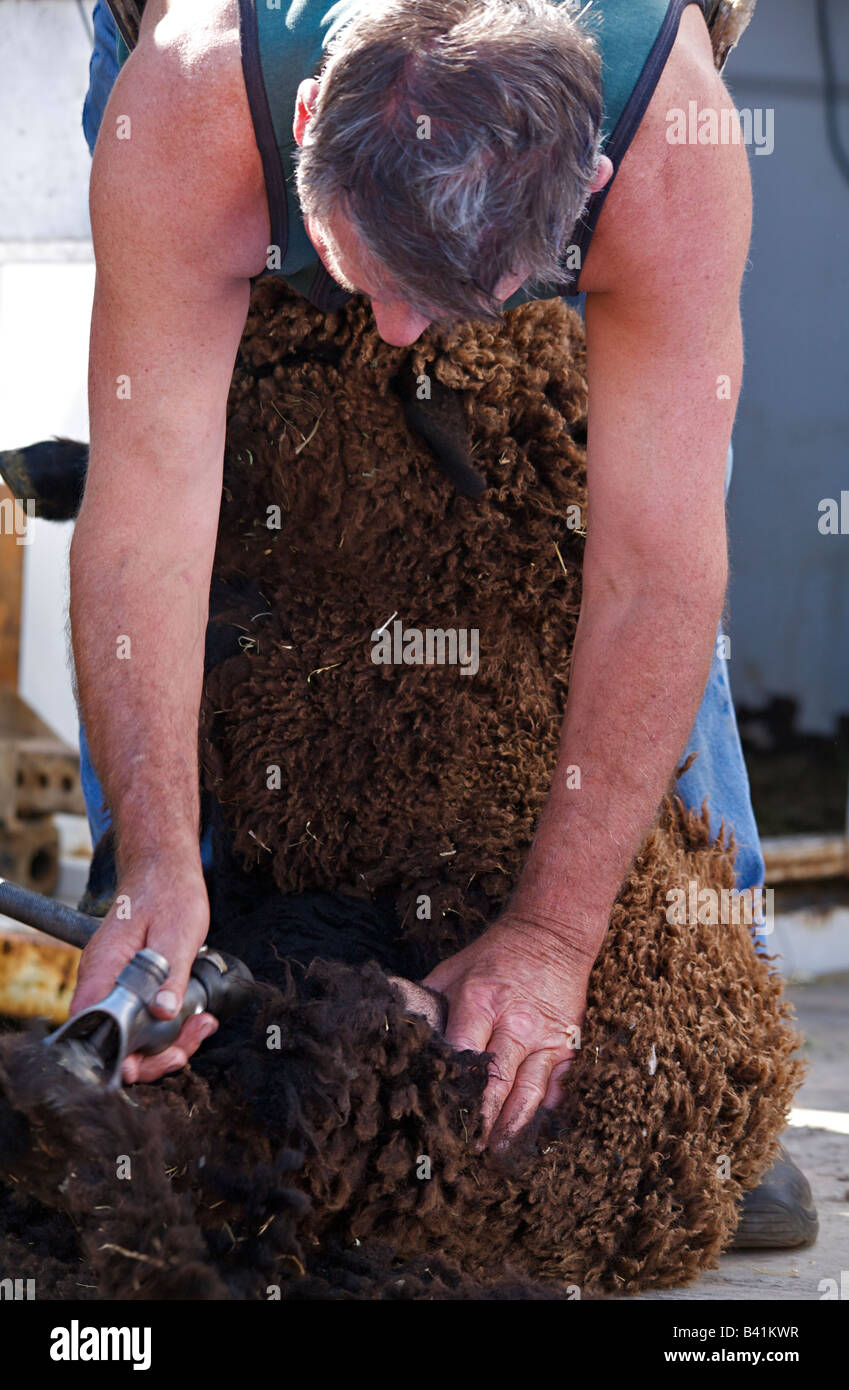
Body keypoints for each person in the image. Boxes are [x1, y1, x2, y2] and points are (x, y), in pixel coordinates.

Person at [11, 0, 818, 1245]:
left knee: (590, 489)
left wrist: (554, 934)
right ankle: (161, 956)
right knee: (241, 478)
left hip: (566, 137)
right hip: (234, 116)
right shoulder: (187, 98)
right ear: (297, 126)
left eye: (443, 298)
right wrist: (161, 855)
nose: (392, 333)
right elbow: (143, 520)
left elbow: (653, 570)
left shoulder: (672, 145)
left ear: (585, 184)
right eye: (363, 278)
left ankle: (709, 1008)